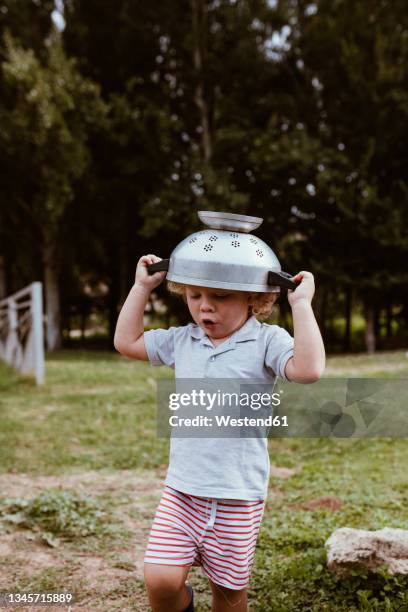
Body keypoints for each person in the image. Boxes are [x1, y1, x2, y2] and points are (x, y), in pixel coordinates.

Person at [114, 254, 325, 612]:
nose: (204, 307)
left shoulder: (266, 341)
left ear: (253, 299)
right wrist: (140, 288)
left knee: (228, 595)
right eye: (194, 295)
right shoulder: (183, 339)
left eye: (220, 297)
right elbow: (127, 342)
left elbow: (308, 369)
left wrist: (302, 306)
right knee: (160, 580)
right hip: (182, 491)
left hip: (237, 497)